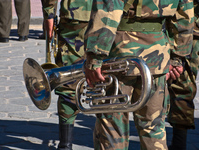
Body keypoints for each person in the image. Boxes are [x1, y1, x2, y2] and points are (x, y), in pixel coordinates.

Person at [84, 0, 194, 150]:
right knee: (154, 129)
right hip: (157, 58)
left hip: (118, 53)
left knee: (112, 131)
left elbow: (108, 10)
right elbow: (185, 13)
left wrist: (95, 56)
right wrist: (177, 57)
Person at [42, 0, 92, 149]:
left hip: (77, 14)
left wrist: (49, 13)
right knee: (111, 77)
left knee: (69, 79)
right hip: (116, 14)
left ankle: (65, 145)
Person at [167, 1, 199, 149]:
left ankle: (179, 143)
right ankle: (179, 143)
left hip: (189, 29)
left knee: (181, 84)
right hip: (186, 28)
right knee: (181, 83)